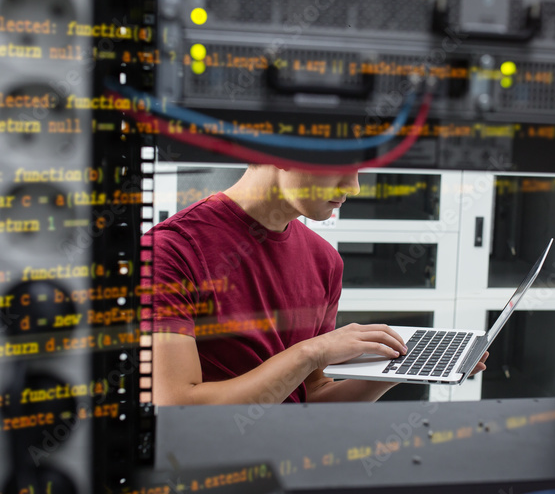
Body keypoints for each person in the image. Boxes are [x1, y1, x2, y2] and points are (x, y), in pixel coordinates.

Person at [147, 164, 487, 405]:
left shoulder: (325, 260)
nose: (353, 186)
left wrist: (407, 368)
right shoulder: (171, 250)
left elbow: (314, 395)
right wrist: (312, 352)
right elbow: (175, 406)